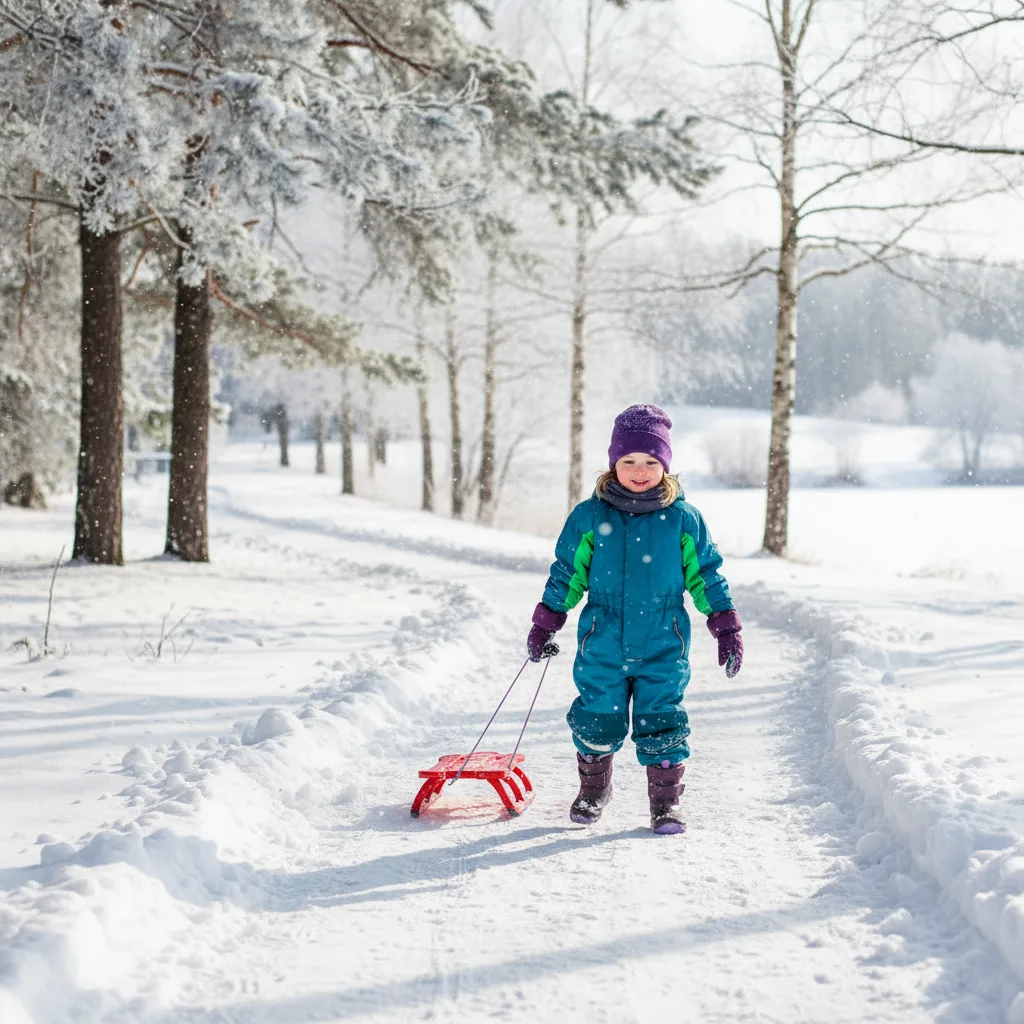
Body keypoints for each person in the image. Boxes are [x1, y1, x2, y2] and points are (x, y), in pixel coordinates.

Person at [527, 404, 743, 834]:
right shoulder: (590, 517)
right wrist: (547, 619)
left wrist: (725, 625)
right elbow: (567, 572)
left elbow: (706, 575)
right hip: (602, 635)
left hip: (665, 638)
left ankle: (665, 805)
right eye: (629, 461)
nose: (639, 471)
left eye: (650, 462)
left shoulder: (683, 519)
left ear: (665, 465)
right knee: (596, 714)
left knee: (662, 715)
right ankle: (593, 791)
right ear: (613, 464)